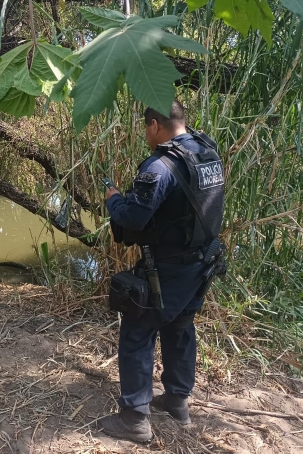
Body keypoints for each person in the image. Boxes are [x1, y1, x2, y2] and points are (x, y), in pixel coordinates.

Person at [100, 100, 225, 442]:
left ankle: (134, 418)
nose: (145, 135)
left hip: (169, 267)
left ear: (155, 125)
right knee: (181, 325)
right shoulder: (207, 151)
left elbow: (133, 217)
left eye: (145, 129)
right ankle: (176, 401)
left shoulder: (161, 166)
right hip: (203, 263)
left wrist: (113, 198)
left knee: (138, 330)